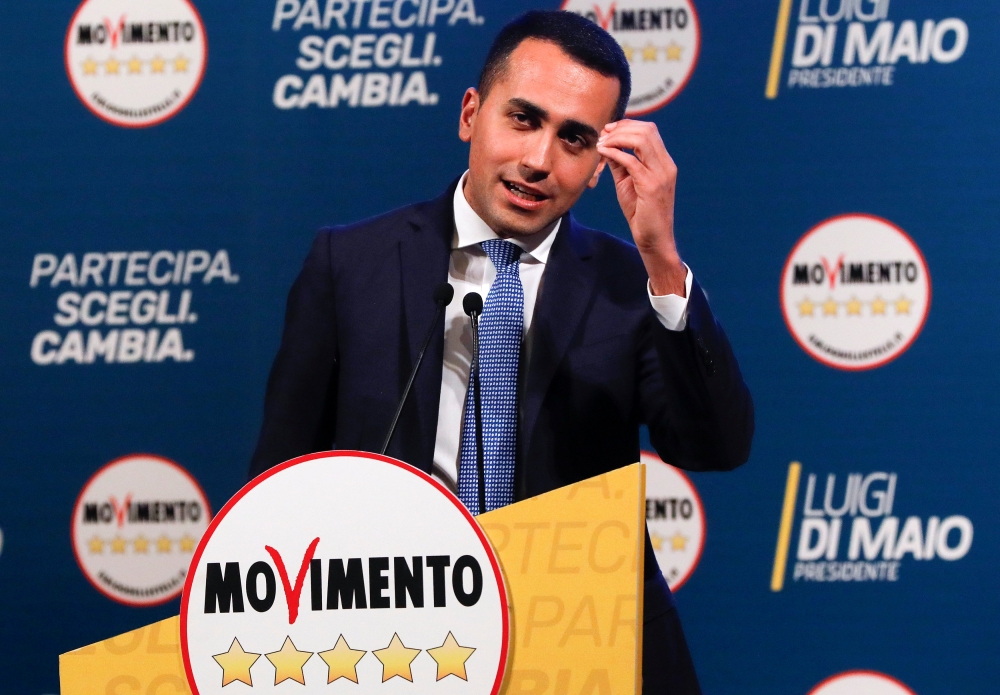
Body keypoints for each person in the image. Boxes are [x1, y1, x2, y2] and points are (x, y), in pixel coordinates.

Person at [250, 10, 753, 694]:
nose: (539, 160)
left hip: (584, 643)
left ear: (600, 166)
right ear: (470, 114)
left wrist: (662, 260)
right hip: (394, 646)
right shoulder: (349, 263)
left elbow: (716, 446)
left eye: (574, 139)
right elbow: (278, 487)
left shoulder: (630, 284)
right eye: (523, 119)